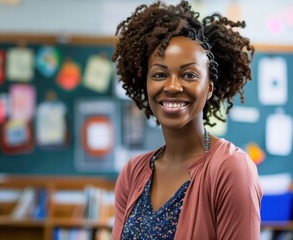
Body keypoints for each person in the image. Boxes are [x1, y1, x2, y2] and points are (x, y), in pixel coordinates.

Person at [111, 1, 263, 239]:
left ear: (210, 88)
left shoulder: (231, 169)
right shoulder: (132, 173)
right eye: (160, 74)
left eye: (189, 75)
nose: (172, 86)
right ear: (146, 84)